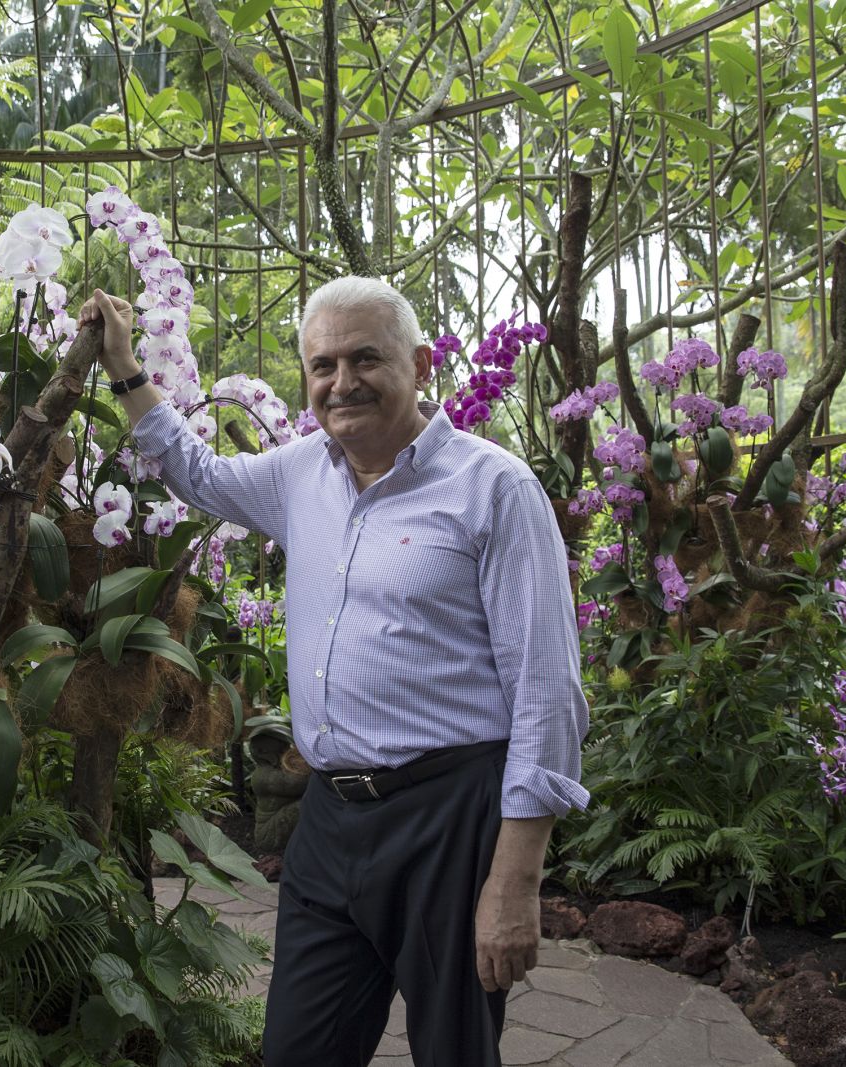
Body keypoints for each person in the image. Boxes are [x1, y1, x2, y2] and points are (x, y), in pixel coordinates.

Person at [78, 277, 590, 1067]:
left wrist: (515, 880)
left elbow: (547, 694)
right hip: (330, 818)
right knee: (299, 1047)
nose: (341, 382)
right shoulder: (300, 474)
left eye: (365, 359)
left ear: (420, 364)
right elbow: (200, 474)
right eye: (323, 365)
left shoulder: (494, 490)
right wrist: (123, 370)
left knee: (454, 1051)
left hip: (448, 819)